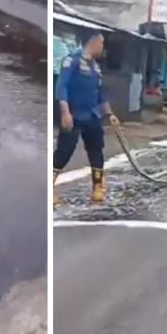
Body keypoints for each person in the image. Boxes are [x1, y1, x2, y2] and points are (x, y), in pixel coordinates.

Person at [54, 32, 119, 206]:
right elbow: (62, 86)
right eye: (102, 43)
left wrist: (110, 114)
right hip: (74, 114)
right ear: (94, 42)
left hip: (92, 116)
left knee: (96, 150)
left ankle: (97, 187)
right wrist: (65, 111)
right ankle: (50, 188)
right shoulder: (72, 61)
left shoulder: (95, 68)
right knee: (64, 152)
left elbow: (100, 95)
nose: (102, 48)